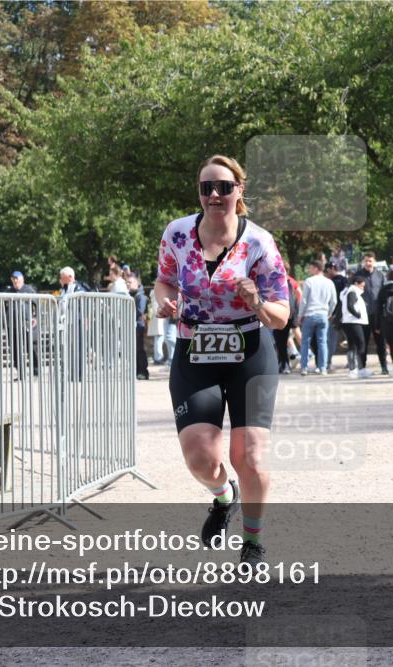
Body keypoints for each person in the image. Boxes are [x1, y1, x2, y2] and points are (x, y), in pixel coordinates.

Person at [153, 154, 289, 568]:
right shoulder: (177, 234)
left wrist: (256, 301)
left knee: (249, 456)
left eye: (224, 187)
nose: (214, 194)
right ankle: (222, 497)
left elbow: (281, 316)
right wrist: (164, 303)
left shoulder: (260, 243)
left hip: (250, 350)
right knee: (200, 456)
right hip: (196, 351)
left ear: (239, 191)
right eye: (206, 187)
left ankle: (253, 541)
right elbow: (162, 280)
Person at [297, 259, 337, 376]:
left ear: (315, 268)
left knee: (305, 342)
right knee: (322, 342)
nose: (309, 270)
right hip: (323, 315)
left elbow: (304, 300)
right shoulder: (329, 282)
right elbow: (334, 301)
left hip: (309, 315)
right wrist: (329, 313)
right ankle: (322, 367)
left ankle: (304, 367)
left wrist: (300, 315)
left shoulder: (309, 281)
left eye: (310, 267)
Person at [355, 253, 388, 374]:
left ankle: (384, 367)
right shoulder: (358, 275)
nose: (369, 263)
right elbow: (351, 291)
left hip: (377, 314)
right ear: (364, 262)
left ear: (374, 262)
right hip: (362, 314)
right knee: (362, 342)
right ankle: (362, 367)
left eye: (371, 261)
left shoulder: (380, 275)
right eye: (367, 261)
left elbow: (384, 293)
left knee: (381, 342)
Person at [4, 270, 39, 379]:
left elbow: (37, 304)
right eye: (13, 280)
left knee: (31, 347)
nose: (15, 282)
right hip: (13, 325)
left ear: (22, 279)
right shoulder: (8, 291)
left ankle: (36, 371)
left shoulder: (29, 290)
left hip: (27, 324)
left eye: (17, 279)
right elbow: (5, 306)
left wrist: (35, 317)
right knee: (15, 350)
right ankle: (21, 374)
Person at [340, 275, 373, 378]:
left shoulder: (350, 291)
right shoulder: (352, 292)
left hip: (350, 322)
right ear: (356, 283)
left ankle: (357, 369)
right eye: (362, 286)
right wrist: (357, 314)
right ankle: (356, 369)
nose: (363, 288)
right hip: (353, 321)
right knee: (360, 344)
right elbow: (350, 306)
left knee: (353, 345)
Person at [325, 261, 348, 372]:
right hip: (345, 313)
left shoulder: (329, 282)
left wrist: (331, 313)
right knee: (349, 338)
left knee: (331, 339)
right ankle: (352, 362)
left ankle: (328, 363)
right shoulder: (345, 280)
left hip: (333, 314)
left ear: (331, 269)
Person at [148, 285, 178, 367]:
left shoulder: (158, 291)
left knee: (166, 338)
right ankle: (167, 358)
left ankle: (169, 357)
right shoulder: (157, 292)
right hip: (164, 317)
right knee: (163, 338)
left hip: (168, 317)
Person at [128, 274, 150, 380]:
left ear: (137, 283)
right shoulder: (133, 295)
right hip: (134, 325)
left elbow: (140, 311)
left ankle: (143, 371)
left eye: (131, 282)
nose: (128, 284)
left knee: (139, 349)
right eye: (127, 282)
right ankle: (137, 371)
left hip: (138, 325)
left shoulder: (140, 296)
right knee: (135, 350)